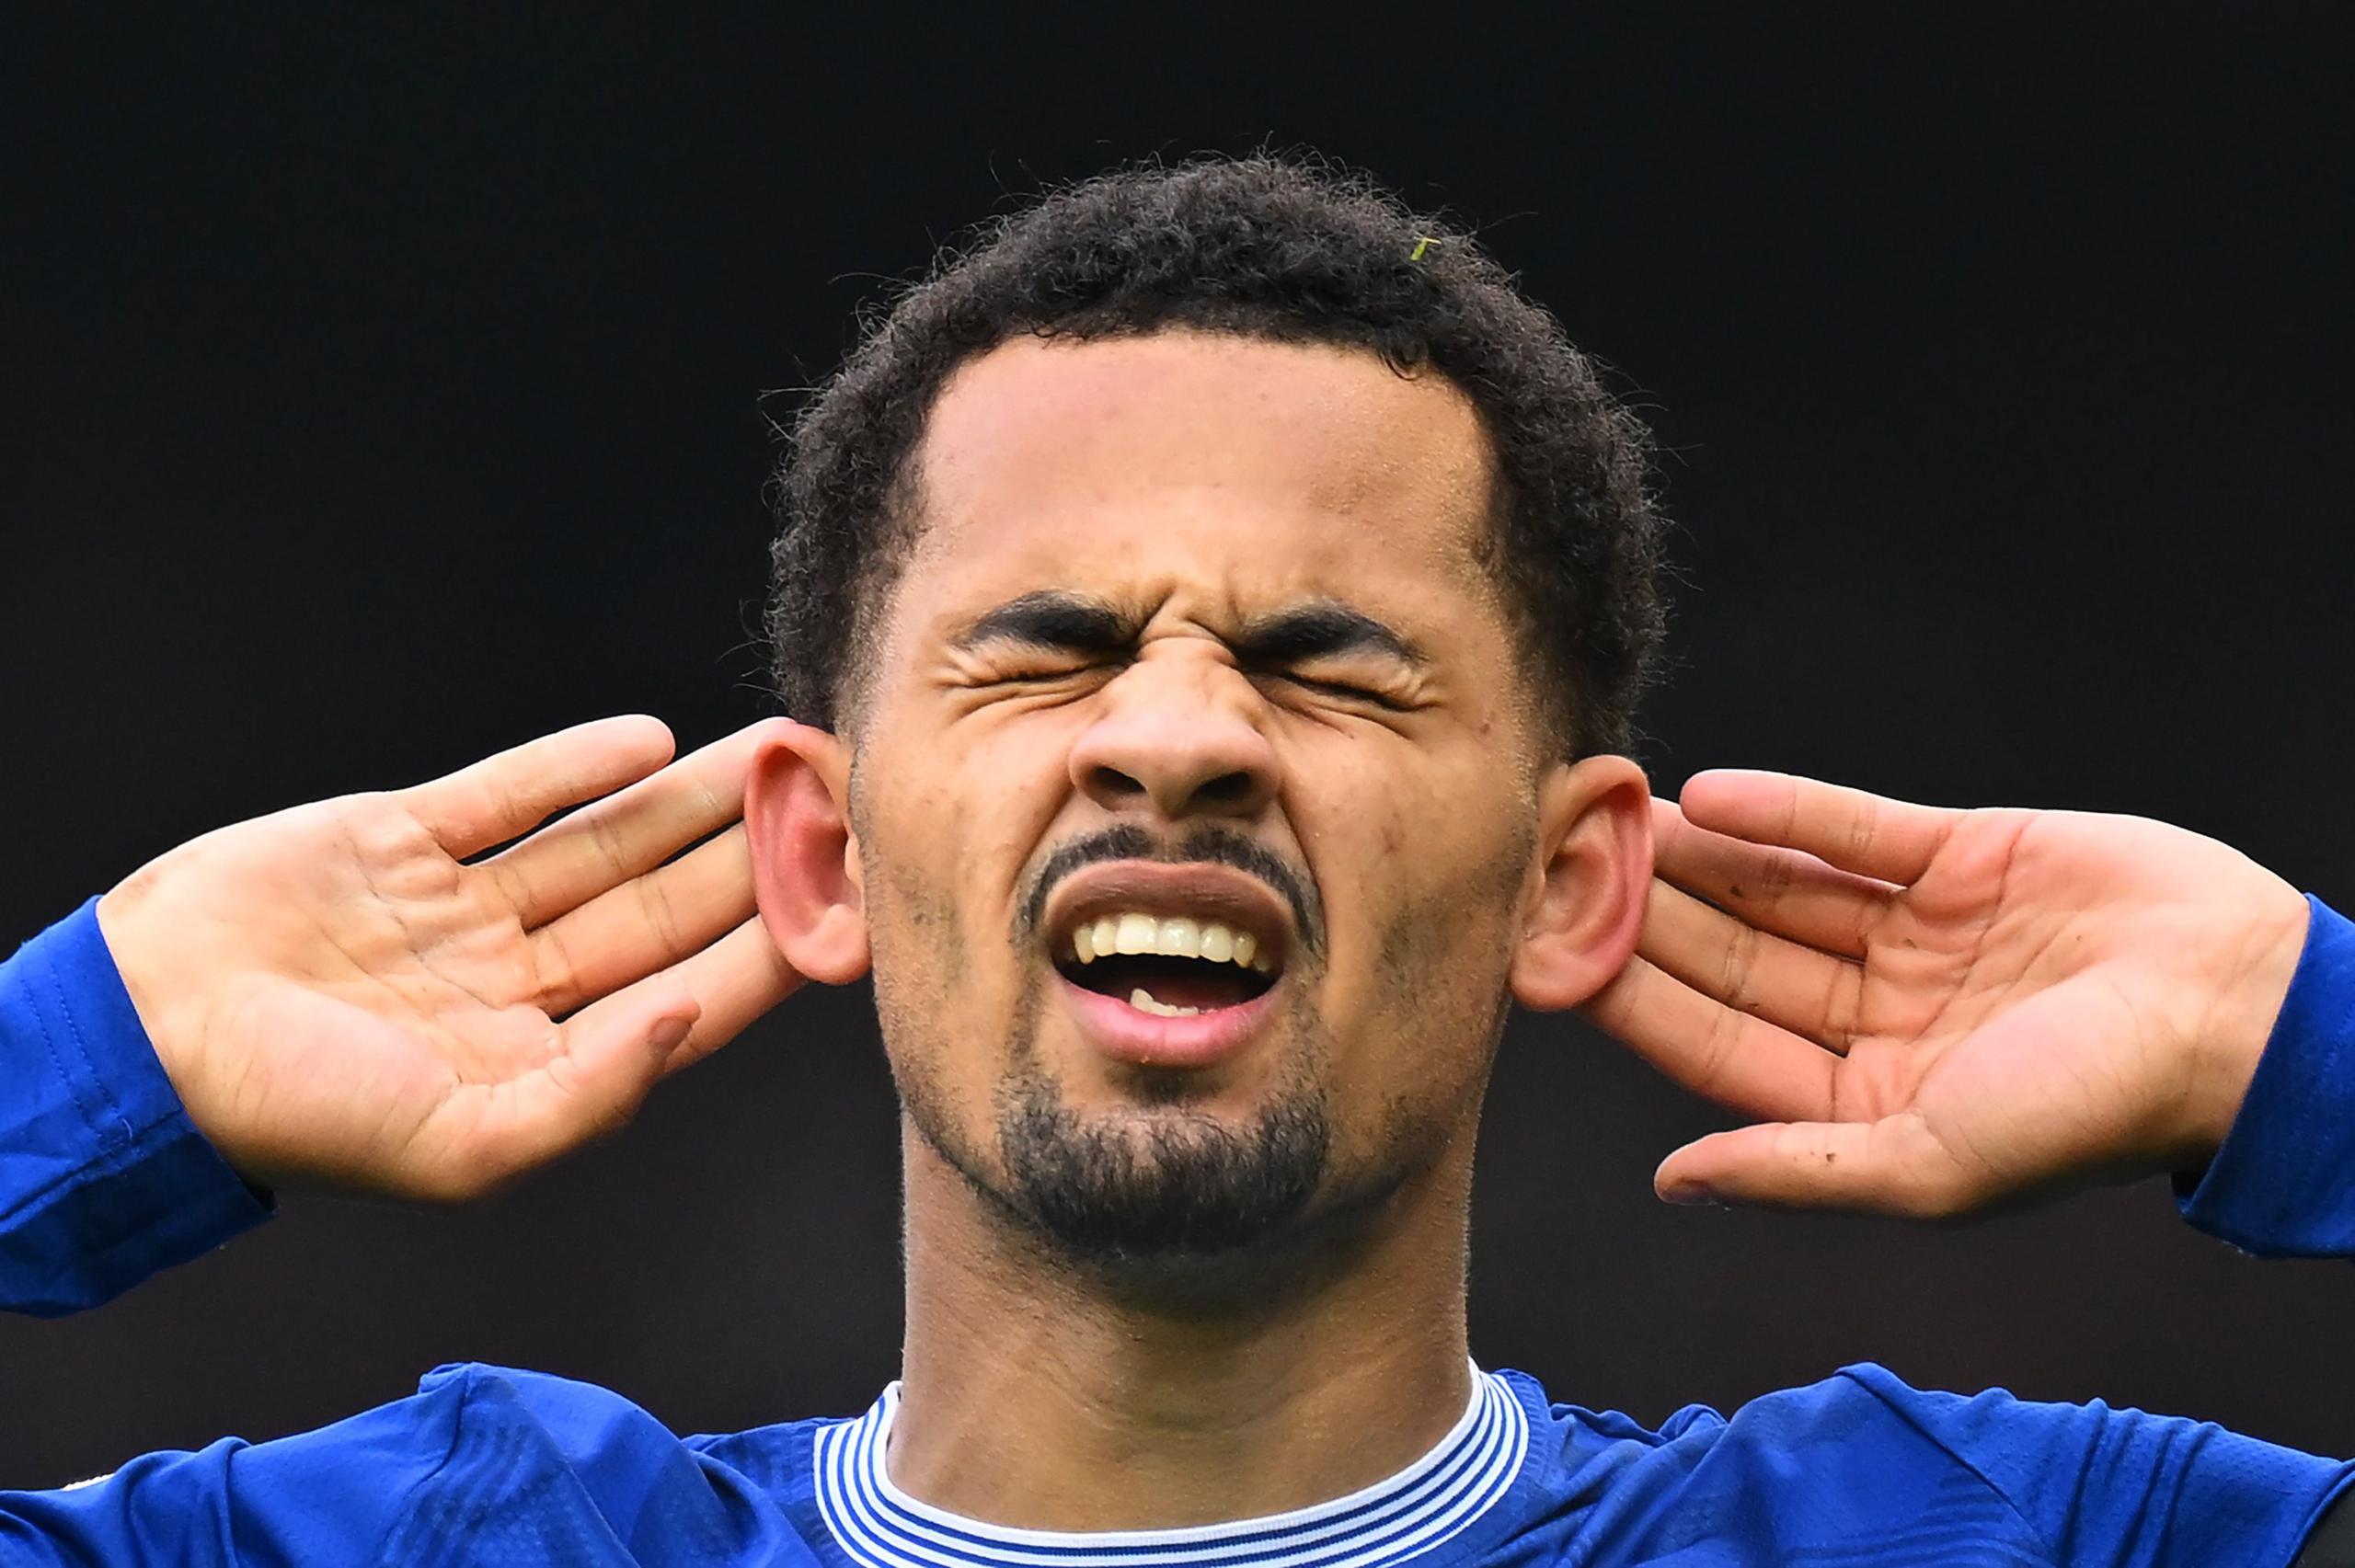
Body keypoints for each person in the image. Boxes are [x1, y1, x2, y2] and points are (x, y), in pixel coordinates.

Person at [3, 155, 2349, 1565]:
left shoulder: (1967, 1537)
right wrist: (77, 1069)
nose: (1181, 734)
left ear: (1568, 879)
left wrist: (2302, 1056)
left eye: (1330, 663)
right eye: (1044, 653)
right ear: (816, 847)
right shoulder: (444, 1544)